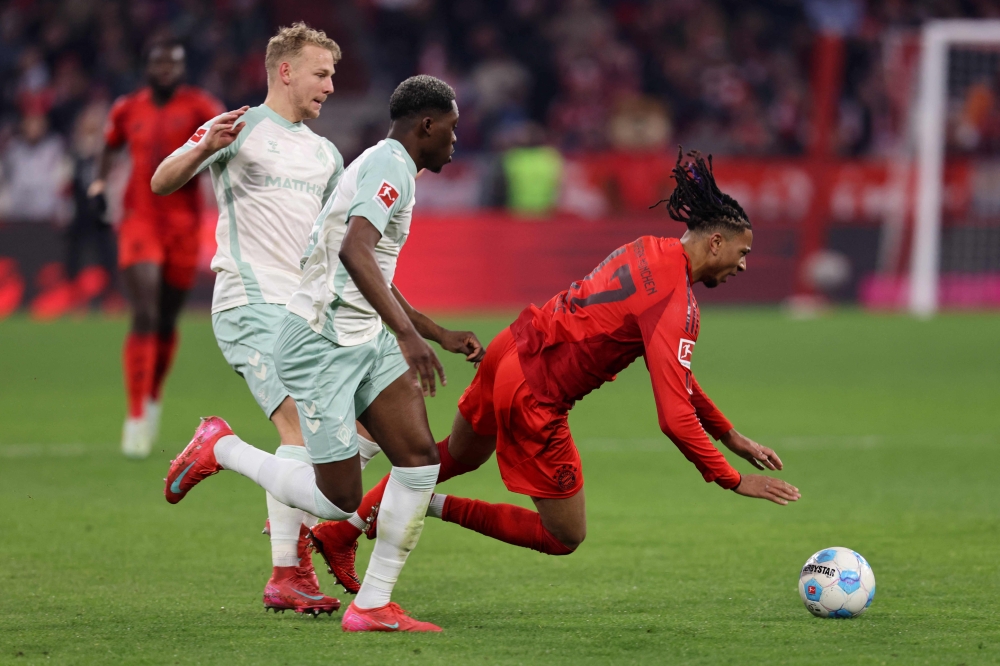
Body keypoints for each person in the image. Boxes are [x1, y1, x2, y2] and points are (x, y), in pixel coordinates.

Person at [310, 149, 801, 588]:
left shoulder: (648, 248)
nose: (742, 265)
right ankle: (421, 506)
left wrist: (729, 435)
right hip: (536, 394)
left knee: (454, 457)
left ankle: (341, 529)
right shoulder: (677, 303)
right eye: (742, 253)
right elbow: (673, 417)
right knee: (564, 534)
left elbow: (679, 375)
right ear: (715, 242)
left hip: (512, 347)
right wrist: (733, 479)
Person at [163, 75, 483, 632]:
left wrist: (433, 332)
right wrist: (408, 336)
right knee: (337, 502)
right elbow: (354, 251)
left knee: (419, 461)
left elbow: (372, 267)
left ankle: (373, 606)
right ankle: (224, 448)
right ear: (426, 125)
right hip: (323, 341)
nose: (456, 141)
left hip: (365, 337)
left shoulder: (390, 167)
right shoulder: (388, 167)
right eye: (451, 129)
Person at [150, 23, 366, 616]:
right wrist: (201, 146)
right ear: (286, 70)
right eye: (321, 74)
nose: (329, 86)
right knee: (302, 430)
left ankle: (294, 561)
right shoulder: (237, 126)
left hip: (302, 313)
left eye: (333, 76)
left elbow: (331, 240)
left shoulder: (326, 154)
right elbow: (161, 181)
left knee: (342, 435)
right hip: (249, 303)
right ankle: (222, 457)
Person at [89, 40, 222, 458]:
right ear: (147, 67)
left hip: (183, 224)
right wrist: (98, 183)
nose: (165, 71)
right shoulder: (127, 108)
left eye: (173, 65)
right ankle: (134, 416)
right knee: (144, 311)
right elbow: (110, 146)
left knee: (166, 319)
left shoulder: (200, 106)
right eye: (158, 64)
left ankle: (152, 399)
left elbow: (229, 137)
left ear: (183, 69)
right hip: (139, 220)